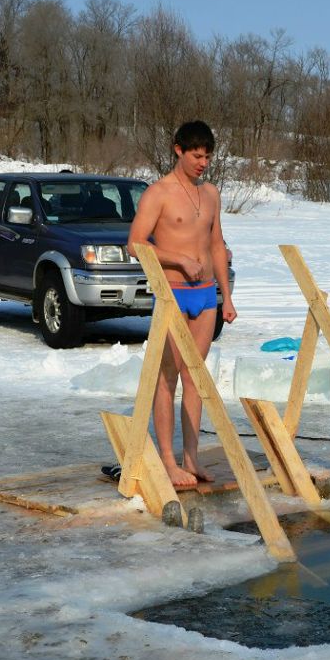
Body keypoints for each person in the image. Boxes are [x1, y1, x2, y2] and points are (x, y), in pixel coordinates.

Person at [128, 120, 236, 488]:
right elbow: (136, 244)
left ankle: (192, 459)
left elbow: (217, 244)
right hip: (173, 293)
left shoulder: (211, 194)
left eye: (207, 156)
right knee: (167, 378)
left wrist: (227, 296)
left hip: (206, 295)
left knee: (196, 378)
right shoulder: (158, 193)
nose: (202, 163)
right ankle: (168, 460)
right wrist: (176, 260)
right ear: (178, 149)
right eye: (196, 155)